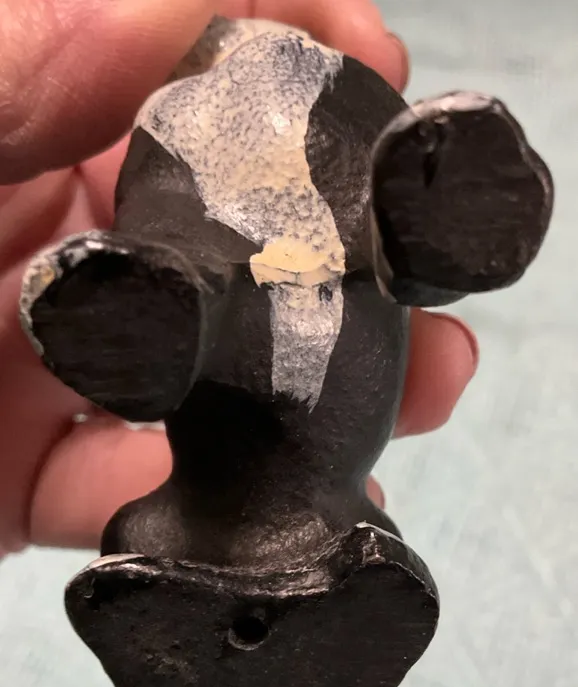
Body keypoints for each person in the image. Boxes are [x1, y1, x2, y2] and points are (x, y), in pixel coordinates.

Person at [0, 0, 478, 558]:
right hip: (209, 312)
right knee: (187, 289)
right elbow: (158, 217)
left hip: (327, 338)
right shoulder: (175, 130)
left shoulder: (347, 107)